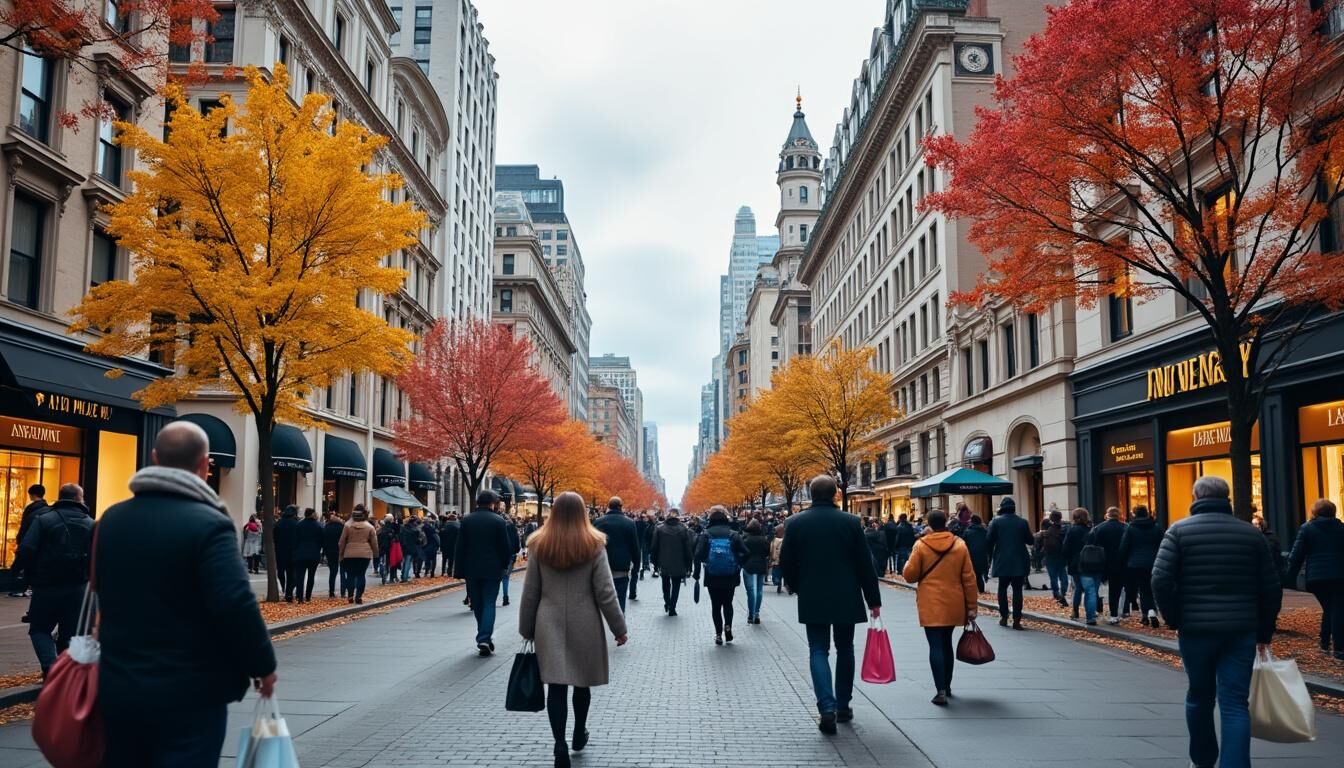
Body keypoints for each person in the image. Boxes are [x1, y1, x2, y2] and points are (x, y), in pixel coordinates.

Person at [97, 421, 275, 766]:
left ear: (154, 458)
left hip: (118, 685)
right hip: (190, 691)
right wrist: (262, 666)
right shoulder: (209, 524)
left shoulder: (112, 520)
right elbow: (235, 603)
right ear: (205, 465)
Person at [1152, 476, 1282, 768]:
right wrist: (1265, 629)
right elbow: (1271, 587)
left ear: (1196, 495)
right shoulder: (1251, 534)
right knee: (1235, 703)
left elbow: (1160, 579)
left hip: (1196, 629)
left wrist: (1174, 617)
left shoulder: (1179, 532)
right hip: (1241, 629)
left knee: (1199, 696)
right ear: (1227, 498)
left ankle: (1202, 759)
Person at [518, 491, 628, 768]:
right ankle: (579, 731)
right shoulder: (594, 545)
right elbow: (605, 591)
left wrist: (526, 627)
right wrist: (619, 627)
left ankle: (559, 744)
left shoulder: (539, 545)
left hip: (548, 621)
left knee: (556, 685)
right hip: (585, 621)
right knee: (582, 682)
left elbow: (531, 592)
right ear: (582, 513)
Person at [778, 476, 881, 734]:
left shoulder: (796, 523)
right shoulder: (851, 522)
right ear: (836, 494)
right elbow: (864, 564)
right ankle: (844, 705)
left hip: (813, 594)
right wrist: (873, 600)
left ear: (811, 494)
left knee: (818, 649)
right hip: (847, 594)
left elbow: (786, 561)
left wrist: (796, 586)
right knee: (845, 648)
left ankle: (826, 707)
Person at [14, 483, 92, 678]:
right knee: (70, 634)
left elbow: (27, 549)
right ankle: (65, 675)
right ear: (79, 499)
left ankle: (50, 668)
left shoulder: (44, 520)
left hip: (46, 585)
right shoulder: (91, 523)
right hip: (78, 587)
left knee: (39, 628)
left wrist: (20, 573)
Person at [902, 509, 978, 706]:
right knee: (947, 644)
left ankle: (940, 690)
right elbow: (969, 578)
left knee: (935, 645)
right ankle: (948, 685)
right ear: (946, 522)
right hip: (954, 601)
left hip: (930, 602)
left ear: (929, 524)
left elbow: (909, 575)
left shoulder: (921, 545)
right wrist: (972, 607)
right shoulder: (959, 545)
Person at [454, 490, 514, 656]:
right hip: (492, 569)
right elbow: (504, 547)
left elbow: (460, 547)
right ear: (493, 503)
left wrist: (458, 569)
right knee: (489, 602)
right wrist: (504, 565)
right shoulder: (498, 521)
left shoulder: (467, 521)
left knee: (478, 603)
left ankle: (483, 635)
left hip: (471, 569)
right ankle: (484, 637)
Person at [1285, 498, 1344, 659]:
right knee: (1337, 607)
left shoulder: (1307, 529)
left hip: (1317, 577)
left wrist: (1289, 577)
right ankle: (1338, 647)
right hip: (1339, 575)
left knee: (1329, 607)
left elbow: (1296, 555)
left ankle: (1325, 642)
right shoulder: (1341, 528)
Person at [694, 506, 749, 645]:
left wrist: (697, 572)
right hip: (730, 575)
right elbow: (746, 552)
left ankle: (718, 634)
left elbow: (698, 554)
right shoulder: (733, 534)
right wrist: (738, 565)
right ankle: (728, 628)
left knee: (716, 605)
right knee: (728, 603)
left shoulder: (706, 534)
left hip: (712, 575)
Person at [986, 497, 1031, 629]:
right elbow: (1030, 540)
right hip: (1019, 560)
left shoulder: (996, 522)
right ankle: (1017, 619)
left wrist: (990, 557)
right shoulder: (1022, 522)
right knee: (1017, 590)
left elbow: (989, 540)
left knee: (1002, 588)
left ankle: (1004, 617)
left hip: (1002, 560)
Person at [1118, 505, 1164, 628]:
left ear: (1135, 515)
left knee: (1143, 589)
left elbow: (1124, 547)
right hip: (1155, 562)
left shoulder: (1131, 528)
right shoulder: (1157, 528)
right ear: (1147, 513)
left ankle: (1147, 613)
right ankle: (1152, 611)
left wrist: (1124, 561)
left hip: (1136, 563)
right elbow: (1163, 544)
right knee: (1153, 588)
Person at [592, 497, 640, 613]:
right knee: (620, 599)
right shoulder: (629, 523)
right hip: (621, 569)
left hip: (601, 568)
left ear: (608, 506)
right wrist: (636, 567)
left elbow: (592, 546)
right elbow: (635, 547)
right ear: (621, 506)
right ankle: (620, 625)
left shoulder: (598, 522)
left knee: (601, 601)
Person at [9, 484, 50, 597]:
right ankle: (30, 587)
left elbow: (24, 527)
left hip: (29, 541)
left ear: (31, 495)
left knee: (26, 565)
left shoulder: (31, 509)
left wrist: (20, 541)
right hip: (41, 545)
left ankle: (23, 587)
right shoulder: (48, 509)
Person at [1090, 507, 1129, 624]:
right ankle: (1121, 612)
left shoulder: (1098, 528)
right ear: (1119, 515)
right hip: (1121, 562)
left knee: (1098, 588)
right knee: (1118, 589)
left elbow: (1093, 545)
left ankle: (1101, 610)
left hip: (1103, 562)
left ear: (1107, 515)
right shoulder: (1126, 527)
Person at [651, 511, 694, 615]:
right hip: (679, 561)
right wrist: (689, 565)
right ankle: (672, 607)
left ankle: (667, 601)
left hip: (663, 560)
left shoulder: (659, 529)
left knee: (665, 583)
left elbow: (654, 547)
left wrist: (655, 563)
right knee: (676, 584)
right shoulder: (683, 529)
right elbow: (688, 548)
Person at [1064, 507, 1099, 624]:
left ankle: (1075, 610)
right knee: (1090, 590)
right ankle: (1091, 617)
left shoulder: (1072, 531)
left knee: (1078, 588)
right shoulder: (1092, 530)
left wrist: (1068, 562)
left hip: (1076, 564)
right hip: (1091, 563)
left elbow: (1066, 549)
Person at [338, 505, 378, 604]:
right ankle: (359, 596)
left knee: (350, 575)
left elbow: (342, 541)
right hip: (364, 554)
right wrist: (375, 554)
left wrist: (341, 554)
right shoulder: (370, 527)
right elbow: (374, 543)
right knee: (361, 575)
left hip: (349, 553)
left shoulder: (347, 526)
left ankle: (350, 595)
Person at [288, 508, 323, 603]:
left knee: (300, 577)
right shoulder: (319, 526)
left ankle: (300, 597)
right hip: (314, 555)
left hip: (300, 554)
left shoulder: (299, 525)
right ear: (312, 514)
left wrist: (294, 553)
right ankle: (308, 596)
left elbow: (295, 541)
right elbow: (321, 541)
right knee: (311, 577)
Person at [741, 519, 771, 624]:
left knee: (750, 591)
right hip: (761, 565)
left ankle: (751, 614)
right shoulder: (764, 540)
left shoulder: (745, 539)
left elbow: (742, 553)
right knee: (759, 590)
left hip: (748, 566)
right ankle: (757, 613)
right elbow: (767, 553)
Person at [1039, 508, 1068, 606]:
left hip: (1050, 557)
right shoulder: (1064, 530)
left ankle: (1056, 594)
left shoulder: (1046, 532)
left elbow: (1039, 544)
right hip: (1061, 557)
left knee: (1053, 577)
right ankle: (1063, 592)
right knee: (1063, 575)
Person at [272, 505, 298, 594]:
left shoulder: (279, 523)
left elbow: (274, 537)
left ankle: (283, 586)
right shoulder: (296, 524)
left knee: (281, 572)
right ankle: (289, 592)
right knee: (291, 574)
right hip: (292, 552)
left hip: (280, 551)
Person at [961, 514, 990, 593]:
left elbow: (963, 544)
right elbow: (988, 543)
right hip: (982, 555)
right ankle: (981, 589)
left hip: (971, 555)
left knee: (972, 574)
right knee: (979, 574)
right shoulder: (985, 531)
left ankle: (973, 590)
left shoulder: (967, 531)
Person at [322, 510, 346, 599]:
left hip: (330, 551)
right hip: (341, 551)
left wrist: (324, 552)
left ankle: (331, 592)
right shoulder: (342, 527)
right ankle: (343, 591)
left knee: (333, 572)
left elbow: (323, 541)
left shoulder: (326, 527)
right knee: (343, 571)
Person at [500, 509, 521, 605]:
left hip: (498, 555)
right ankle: (505, 597)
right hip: (510, 555)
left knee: (496, 578)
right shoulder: (513, 528)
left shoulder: (498, 526)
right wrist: (515, 551)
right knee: (505, 577)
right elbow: (517, 543)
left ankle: (493, 598)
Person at [399, 514, 423, 582]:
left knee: (405, 562)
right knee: (408, 562)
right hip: (412, 548)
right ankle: (405, 577)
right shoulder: (415, 530)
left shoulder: (403, 528)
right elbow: (417, 540)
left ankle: (403, 575)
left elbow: (401, 537)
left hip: (404, 547)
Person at [439, 513, 460, 577]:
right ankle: (449, 572)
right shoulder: (458, 526)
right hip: (453, 545)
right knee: (451, 559)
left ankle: (442, 572)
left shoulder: (443, 525)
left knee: (444, 559)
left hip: (444, 545)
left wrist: (441, 545)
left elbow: (440, 535)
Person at [422, 513, 440, 578]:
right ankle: (432, 572)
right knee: (433, 559)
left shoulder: (422, 528)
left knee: (427, 559)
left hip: (426, 545)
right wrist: (438, 545)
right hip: (433, 545)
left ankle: (426, 571)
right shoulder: (431, 528)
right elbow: (436, 537)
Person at [770, 523, 786, 593]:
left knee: (777, 572)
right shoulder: (785, 539)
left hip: (776, 559)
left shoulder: (774, 540)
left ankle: (778, 583)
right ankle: (786, 584)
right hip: (784, 559)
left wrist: (772, 558)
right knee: (784, 572)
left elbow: (772, 550)